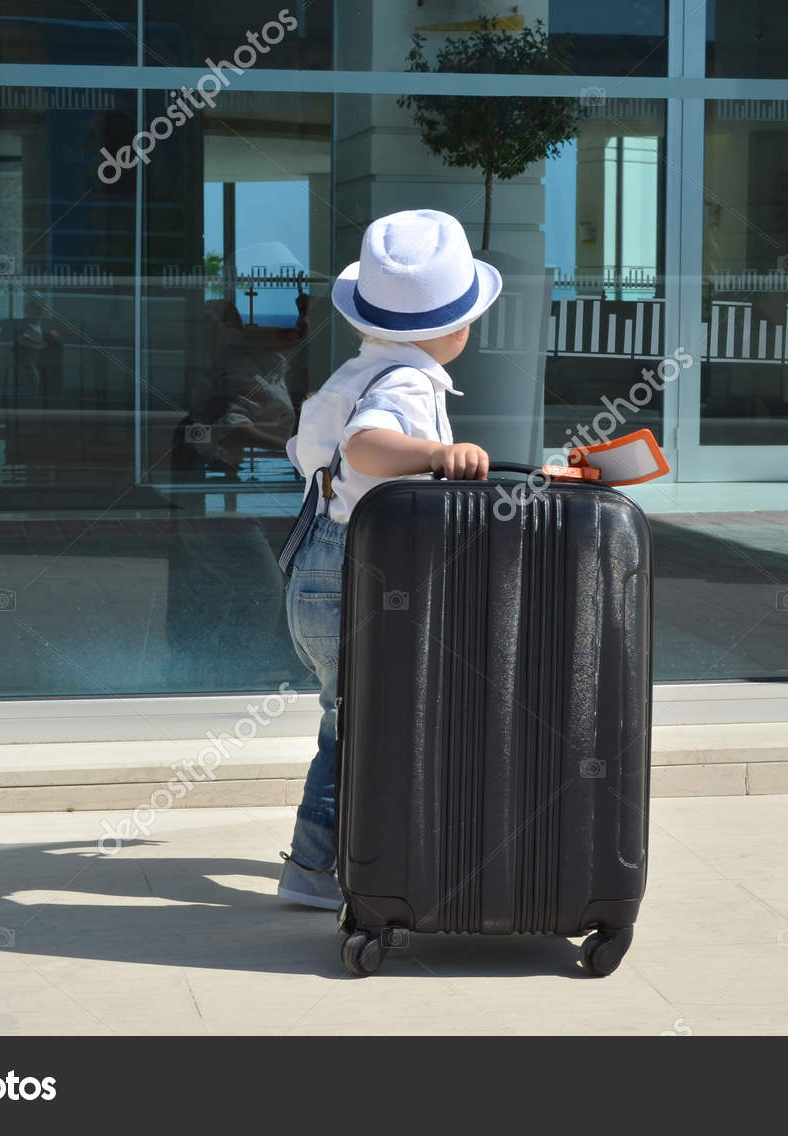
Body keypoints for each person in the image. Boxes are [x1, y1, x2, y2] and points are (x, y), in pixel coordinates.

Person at [275, 208, 502, 909]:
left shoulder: (356, 370)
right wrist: (439, 454)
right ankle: (315, 871)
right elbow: (367, 447)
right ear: (451, 328)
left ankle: (339, 858)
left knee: (349, 717)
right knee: (359, 727)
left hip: (319, 563)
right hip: (356, 576)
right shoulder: (405, 384)